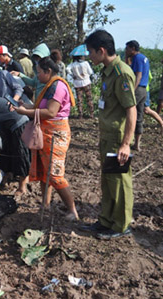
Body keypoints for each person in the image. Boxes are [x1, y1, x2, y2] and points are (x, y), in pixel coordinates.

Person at [80, 29, 137, 240]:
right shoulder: (108, 71)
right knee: (108, 180)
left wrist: (126, 144)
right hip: (107, 135)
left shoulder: (121, 73)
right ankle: (106, 220)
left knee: (120, 182)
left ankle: (121, 225)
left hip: (117, 138)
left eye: (91, 52)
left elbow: (131, 109)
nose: (89, 56)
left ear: (101, 51)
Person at [13, 57, 79, 221]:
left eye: (39, 72)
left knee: (55, 174)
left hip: (56, 134)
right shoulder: (49, 86)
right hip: (46, 132)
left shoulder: (58, 87)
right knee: (44, 172)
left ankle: (72, 210)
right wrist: (23, 105)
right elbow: (38, 108)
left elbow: (50, 112)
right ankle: (45, 204)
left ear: (48, 71)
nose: (37, 76)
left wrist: (25, 112)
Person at [125, 40, 149, 151]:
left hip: (138, 89)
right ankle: (137, 144)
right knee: (139, 116)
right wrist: (126, 57)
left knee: (127, 113)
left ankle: (126, 140)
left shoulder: (138, 58)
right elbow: (129, 67)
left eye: (127, 48)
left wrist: (132, 90)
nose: (126, 50)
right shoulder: (143, 58)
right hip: (144, 90)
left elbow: (138, 75)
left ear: (133, 48)